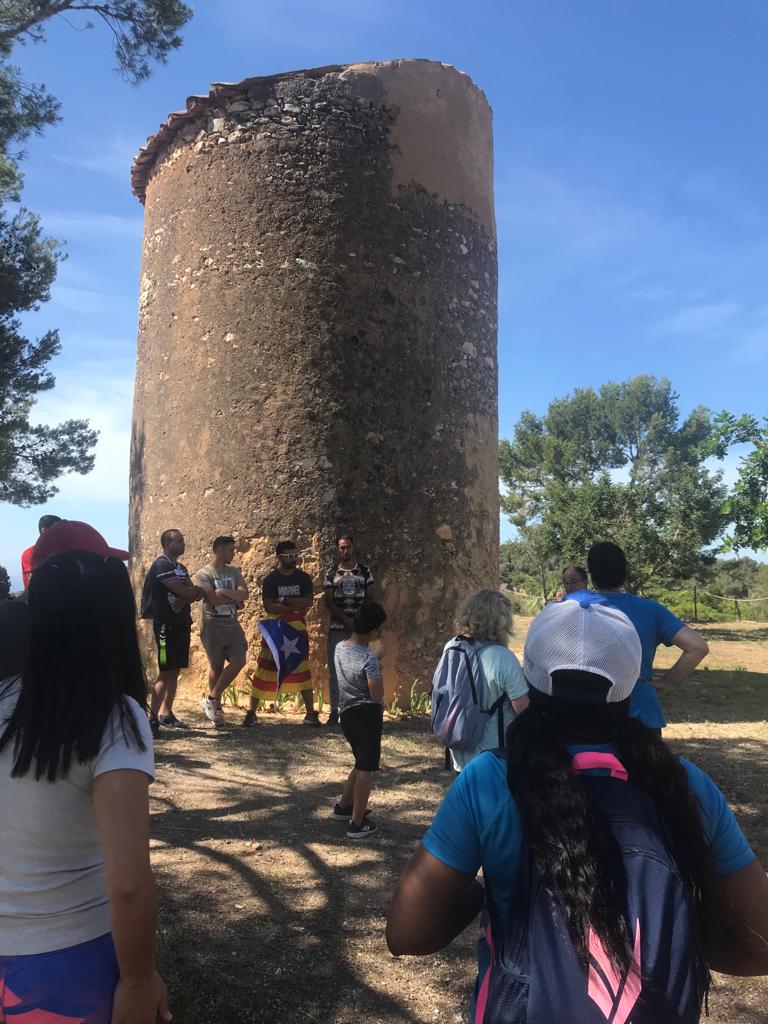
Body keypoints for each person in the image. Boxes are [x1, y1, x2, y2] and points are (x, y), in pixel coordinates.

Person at [386, 597, 768, 1022]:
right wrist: (681, 938)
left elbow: (407, 933)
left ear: (531, 678)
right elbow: (760, 944)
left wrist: (480, 890)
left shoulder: (491, 781)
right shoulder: (687, 785)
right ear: (629, 685)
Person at [0, 525, 169, 1021]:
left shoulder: (5, 698)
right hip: (67, 957)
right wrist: (139, 980)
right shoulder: (114, 717)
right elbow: (129, 884)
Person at [585, 541, 709, 731]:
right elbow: (697, 648)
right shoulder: (651, 610)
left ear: (591, 574)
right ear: (624, 573)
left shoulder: (577, 610)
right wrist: (667, 682)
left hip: (587, 711)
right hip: (641, 711)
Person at [448, 590, 529, 772]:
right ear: (501, 620)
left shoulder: (453, 646)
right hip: (493, 753)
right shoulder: (502, 657)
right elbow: (522, 708)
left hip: (460, 745)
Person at [331, 601, 388, 840]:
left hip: (347, 713)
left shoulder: (340, 648)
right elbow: (377, 694)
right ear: (373, 631)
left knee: (359, 760)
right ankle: (357, 823)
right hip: (367, 715)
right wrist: (378, 672)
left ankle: (344, 807)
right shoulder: (369, 659)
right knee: (366, 768)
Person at [141, 528, 205, 738]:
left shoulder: (180, 567)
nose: (183, 544)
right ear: (167, 544)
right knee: (165, 670)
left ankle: (167, 713)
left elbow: (195, 592)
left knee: (175, 669)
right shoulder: (161, 565)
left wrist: (187, 596)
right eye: (178, 541)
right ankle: (152, 719)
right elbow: (188, 592)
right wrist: (187, 594)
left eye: (183, 540)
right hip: (165, 626)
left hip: (181, 623)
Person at [246, 540, 318, 726]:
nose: (295, 559)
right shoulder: (271, 580)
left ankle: (311, 713)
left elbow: (308, 602)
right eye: (290, 556)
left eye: (296, 555)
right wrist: (295, 605)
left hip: (297, 630)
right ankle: (251, 712)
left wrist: (285, 600)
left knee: (301, 666)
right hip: (275, 630)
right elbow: (270, 606)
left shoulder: (303, 578)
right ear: (279, 557)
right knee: (265, 666)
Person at [322, 532, 376, 726]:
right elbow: (328, 600)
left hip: (359, 629)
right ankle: (334, 711)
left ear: (353, 548)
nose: (345, 551)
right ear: (338, 549)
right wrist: (345, 619)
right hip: (338, 627)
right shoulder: (331, 573)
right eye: (342, 547)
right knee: (335, 670)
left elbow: (370, 597)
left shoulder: (364, 571)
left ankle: (363, 707)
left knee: (362, 669)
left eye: (348, 547)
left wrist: (359, 621)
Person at [196, 536, 249, 727]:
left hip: (232, 624)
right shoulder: (204, 573)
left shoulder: (234, 572)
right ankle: (216, 709)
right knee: (216, 666)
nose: (233, 554)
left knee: (239, 660)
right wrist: (234, 598)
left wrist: (223, 592)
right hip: (212, 625)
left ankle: (212, 697)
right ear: (219, 550)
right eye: (230, 550)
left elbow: (245, 595)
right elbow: (212, 600)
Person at [20, 515, 63, 588]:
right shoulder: (29, 554)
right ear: (44, 531)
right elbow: (33, 582)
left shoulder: (63, 551)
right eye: (57, 529)